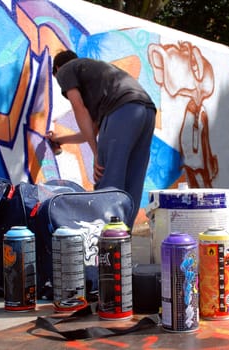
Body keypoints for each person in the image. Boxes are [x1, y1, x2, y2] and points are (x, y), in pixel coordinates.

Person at [47, 50, 156, 228]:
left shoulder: (65, 69)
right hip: (145, 111)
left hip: (121, 110)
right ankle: (122, 239)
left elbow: (78, 107)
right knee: (132, 183)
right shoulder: (98, 80)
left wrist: (96, 152)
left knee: (108, 180)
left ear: (57, 68)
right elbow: (90, 131)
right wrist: (61, 139)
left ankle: (105, 241)